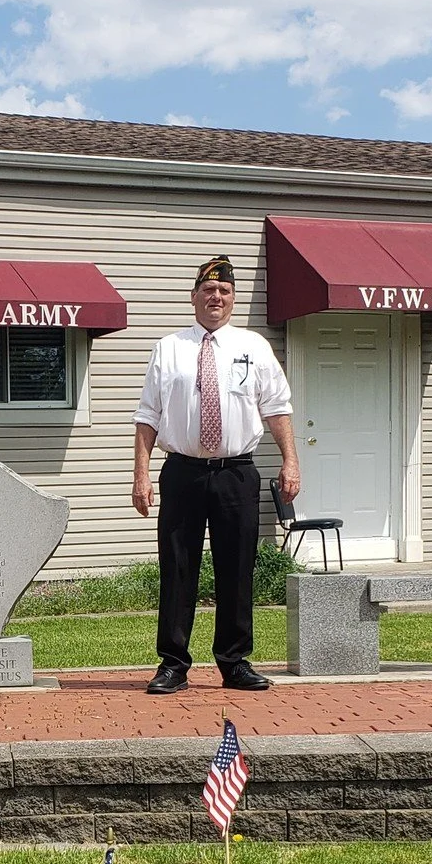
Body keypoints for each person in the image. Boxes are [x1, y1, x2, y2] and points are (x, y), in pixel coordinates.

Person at [132, 255, 300, 694]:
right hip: (182, 473)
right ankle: (173, 664)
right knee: (178, 567)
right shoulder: (168, 348)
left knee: (237, 567)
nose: (216, 297)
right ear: (193, 299)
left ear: (232, 299)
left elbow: (277, 408)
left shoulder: (254, 347)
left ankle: (234, 661)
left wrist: (290, 461)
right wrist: (141, 474)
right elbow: (148, 414)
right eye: (208, 291)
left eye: (224, 292)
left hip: (236, 473)